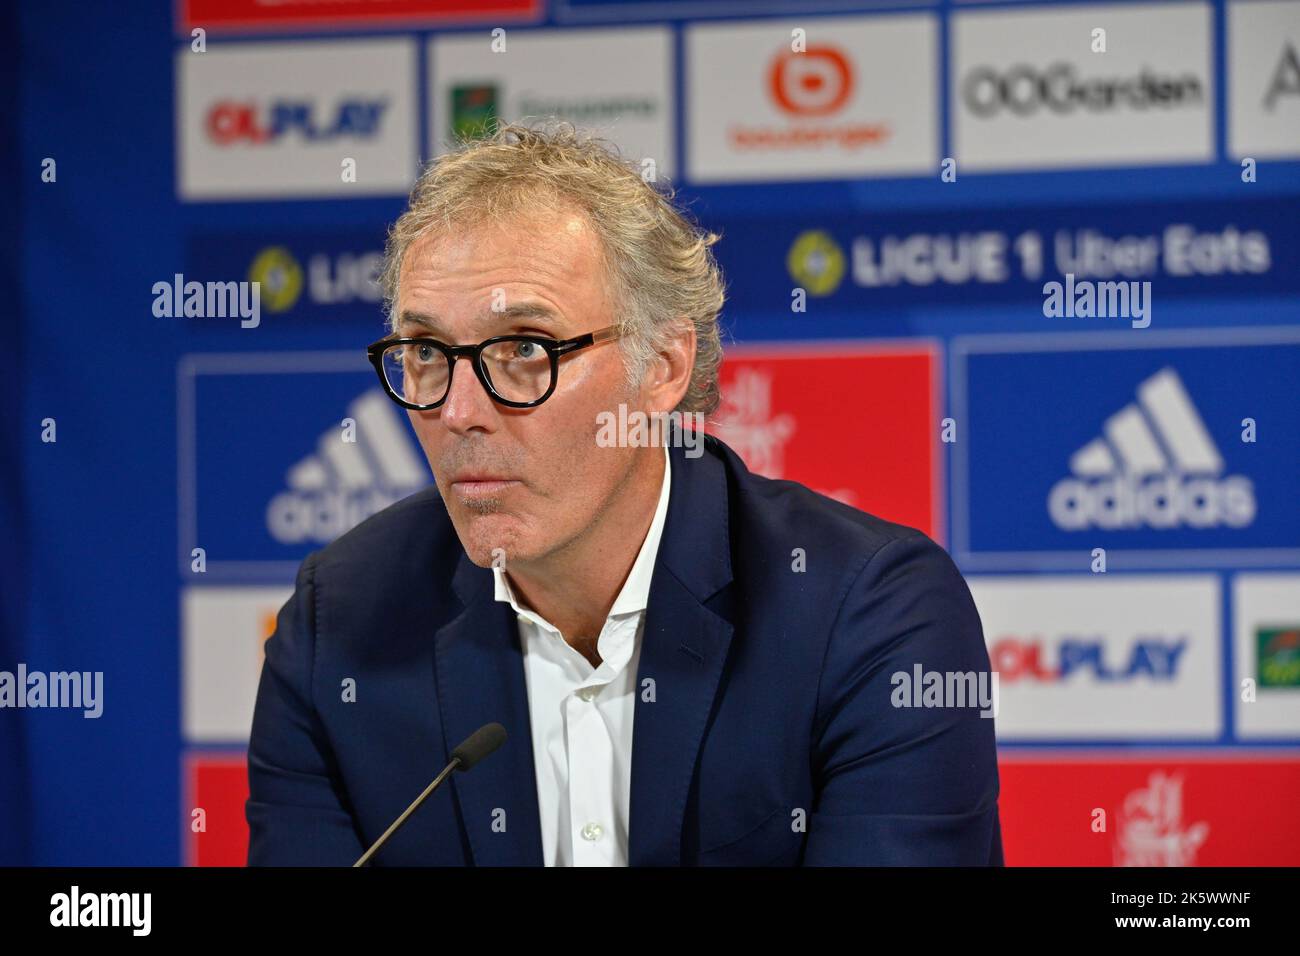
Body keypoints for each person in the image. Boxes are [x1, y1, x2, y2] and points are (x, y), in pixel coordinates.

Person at [246, 121, 1003, 866]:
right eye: (427, 353)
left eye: (523, 350)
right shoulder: (336, 625)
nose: (456, 412)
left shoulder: (867, 613)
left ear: (663, 369)